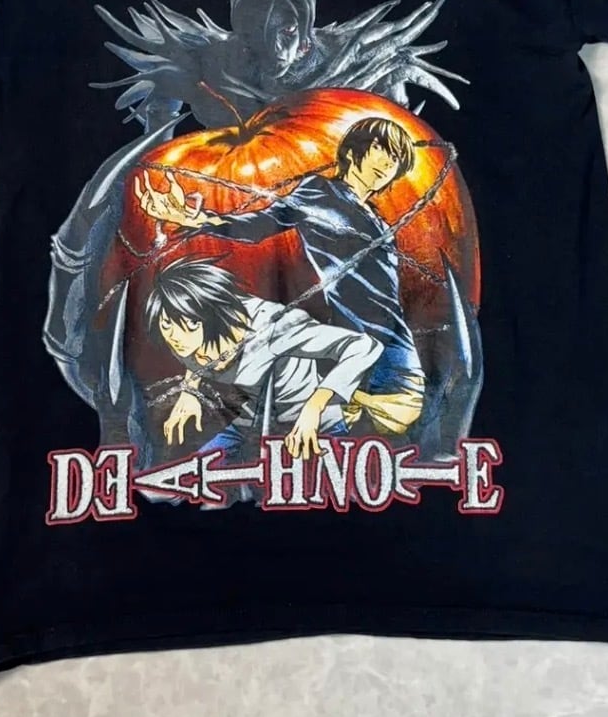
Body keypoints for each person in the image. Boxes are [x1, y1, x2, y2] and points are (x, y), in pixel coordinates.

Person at [135, 117, 426, 436]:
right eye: (380, 150)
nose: (387, 164)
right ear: (353, 150)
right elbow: (265, 222)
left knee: (395, 422)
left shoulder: (377, 219)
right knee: (374, 424)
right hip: (361, 334)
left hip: (390, 337)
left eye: (396, 158)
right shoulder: (320, 191)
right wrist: (199, 219)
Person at [145, 257, 382, 461]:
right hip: (250, 424)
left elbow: (363, 346)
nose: (175, 336)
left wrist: (314, 406)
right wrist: (189, 390)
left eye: (190, 323)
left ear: (213, 315)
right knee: (195, 473)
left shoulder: (275, 327)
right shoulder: (181, 339)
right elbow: (193, 356)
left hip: (313, 426)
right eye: (167, 324)